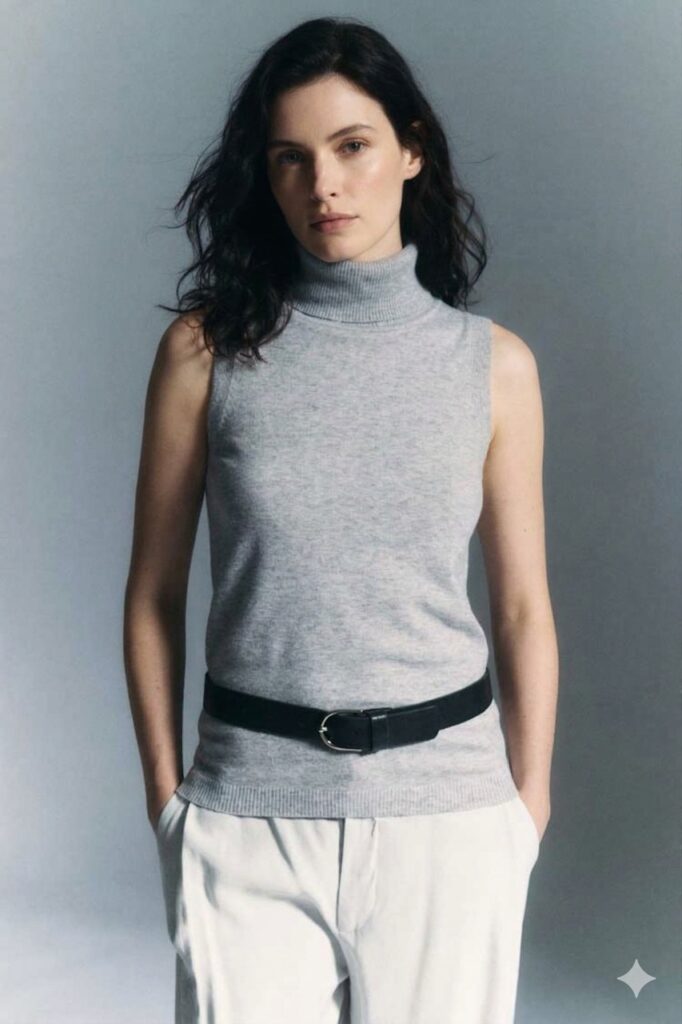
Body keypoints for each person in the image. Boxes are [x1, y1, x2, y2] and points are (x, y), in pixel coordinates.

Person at [123, 16, 558, 1024]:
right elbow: (152, 594)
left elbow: (523, 607)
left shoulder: (493, 367)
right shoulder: (207, 354)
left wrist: (526, 806)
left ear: (411, 151)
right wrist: (168, 802)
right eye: (291, 157)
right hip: (246, 815)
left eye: (352, 146)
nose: (323, 184)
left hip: (451, 819)